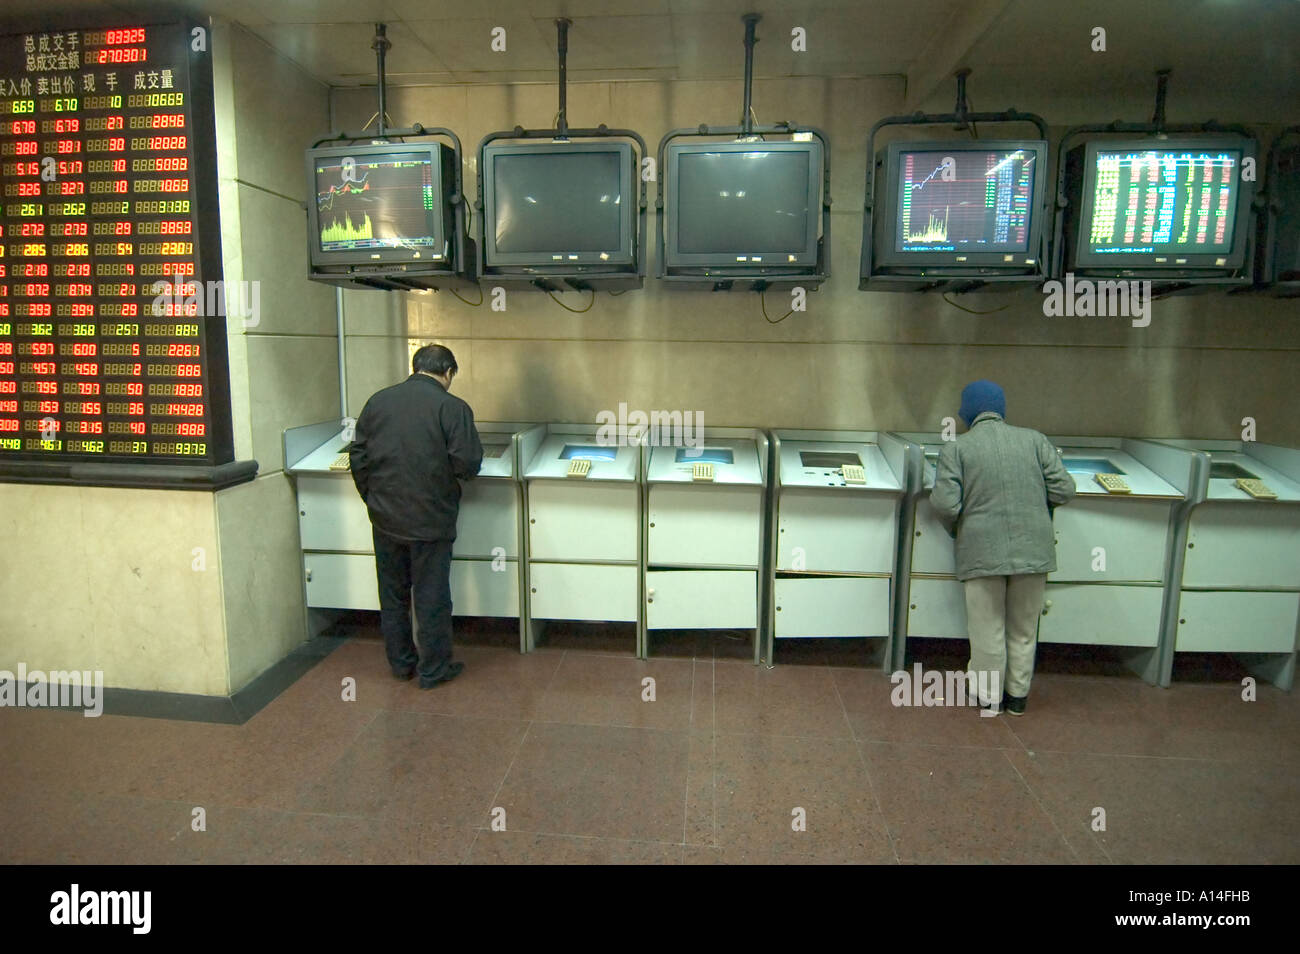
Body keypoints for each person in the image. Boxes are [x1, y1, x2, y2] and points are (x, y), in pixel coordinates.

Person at [930, 381, 1075, 716]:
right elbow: (1065, 489)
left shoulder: (958, 448)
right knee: (1025, 628)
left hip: (983, 550)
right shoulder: (1035, 440)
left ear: (969, 410)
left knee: (987, 627)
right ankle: (1018, 698)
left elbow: (945, 503)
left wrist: (959, 530)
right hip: (1034, 550)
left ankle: (987, 697)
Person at [349, 344, 483, 689]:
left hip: (385, 519)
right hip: (430, 520)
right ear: (449, 373)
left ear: (415, 367)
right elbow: (467, 464)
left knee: (393, 594)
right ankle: (433, 669)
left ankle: (401, 664)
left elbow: (358, 456)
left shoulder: (378, 401)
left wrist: (373, 499)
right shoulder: (452, 408)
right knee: (431, 595)